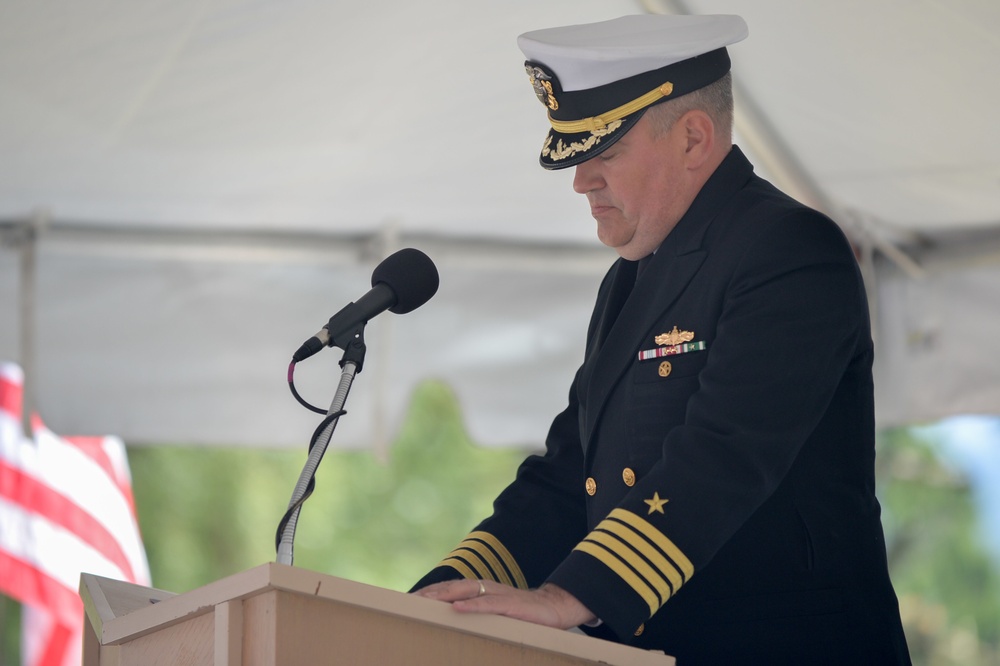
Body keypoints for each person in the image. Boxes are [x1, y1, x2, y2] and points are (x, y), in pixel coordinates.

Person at [412, 14, 911, 664]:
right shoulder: (631, 281)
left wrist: (571, 596)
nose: (581, 180)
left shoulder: (789, 250)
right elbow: (567, 477)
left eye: (605, 152)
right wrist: (441, 594)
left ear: (694, 138)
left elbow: (725, 453)